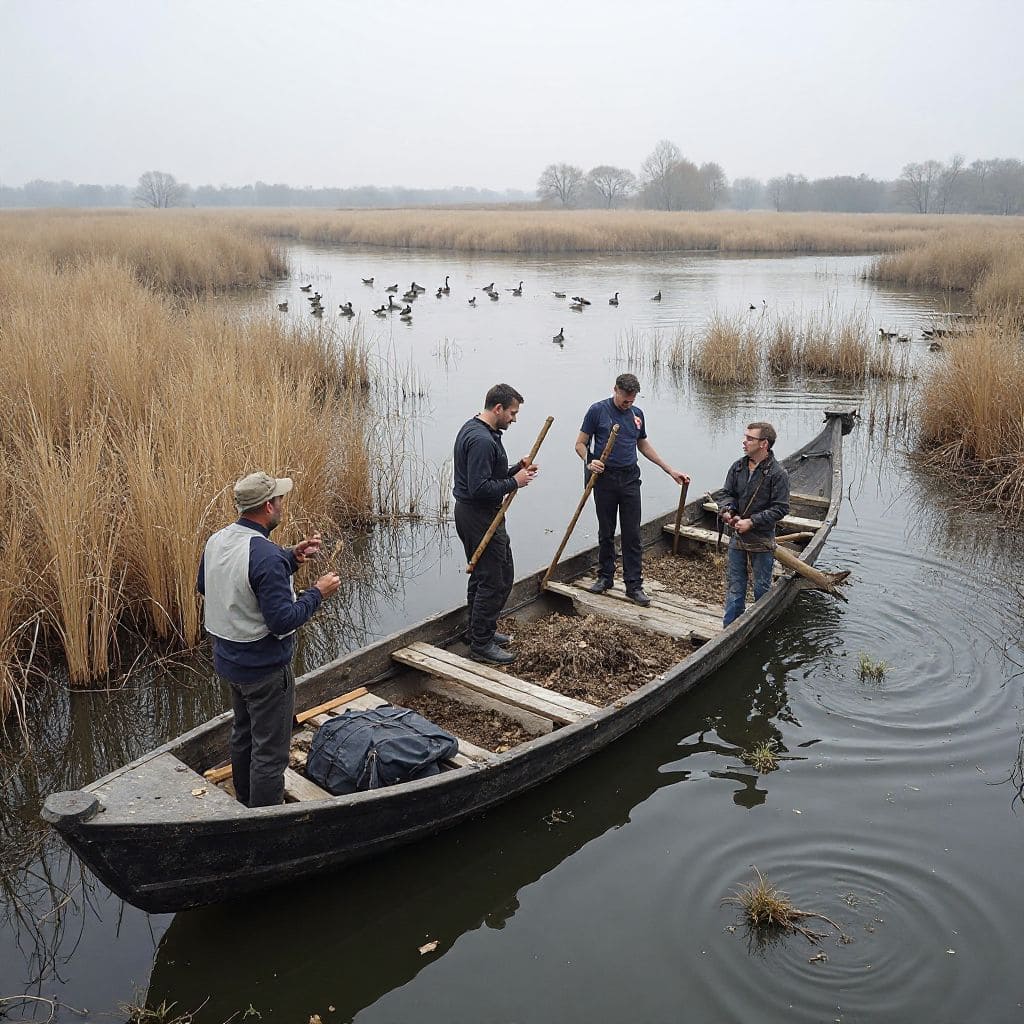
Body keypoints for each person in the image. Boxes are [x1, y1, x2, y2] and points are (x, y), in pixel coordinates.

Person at [197, 472, 341, 807]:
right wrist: (317, 593)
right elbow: (283, 622)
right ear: (267, 506)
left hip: (229, 662)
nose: (282, 504)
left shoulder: (217, 540)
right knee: (270, 754)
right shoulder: (265, 555)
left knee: (243, 735)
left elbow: (211, 585)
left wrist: (291, 557)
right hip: (264, 671)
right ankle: (266, 818)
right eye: (279, 500)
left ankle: (245, 802)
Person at [575, 373, 689, 607]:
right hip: (604, 478)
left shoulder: (637, 415)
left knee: (632, 533)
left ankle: (633, 585)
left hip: (629, 478)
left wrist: (669, 469)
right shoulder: (597, 411)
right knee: (606, 530)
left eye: (632, 400)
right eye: (625, 399)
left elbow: (642, 443)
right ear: (615, 389)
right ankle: (605, 577)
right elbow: (580, 443)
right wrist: (589, 460)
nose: (628, 404)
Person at [453, 383, 538, 665]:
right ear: (498, 408)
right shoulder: (481, 440)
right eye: (512, 413)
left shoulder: (481, 430)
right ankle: (481, 643)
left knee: (489, 574)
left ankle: (477, 630)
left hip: (479, 513)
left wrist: (516, 468)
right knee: (495, 578)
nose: (514, 419)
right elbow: (479, 488)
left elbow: (489, 474)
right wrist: (515, 482)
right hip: (478, 515)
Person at [718, 422, 790, 626]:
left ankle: (758, 626)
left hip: (762, 539)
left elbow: (781, 508)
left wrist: (752, 522)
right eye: (745, 437)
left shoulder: (778, 474)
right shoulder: (738, 466)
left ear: (764, 444)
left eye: (750, 438)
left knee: (761, 588)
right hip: (737, 536)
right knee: (735, 586)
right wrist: (727, 511)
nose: (744, 441)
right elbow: (726, 494)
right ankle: (730, 629)